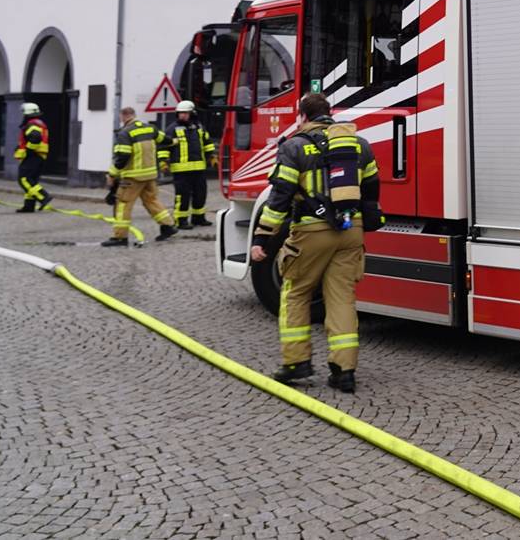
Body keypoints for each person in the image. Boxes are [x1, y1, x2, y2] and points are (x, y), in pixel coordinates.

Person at [249, 92, 380, 393]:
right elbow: (372, 188)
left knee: (295, 292)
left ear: (303, 116)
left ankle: (296, 362)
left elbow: (279, 197)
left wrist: (262, 238)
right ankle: (344, 371)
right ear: (328, 113)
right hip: (351, 230)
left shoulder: (294, 147)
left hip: (311, 231)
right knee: (342, 298)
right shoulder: (358, 145)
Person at [104, 107, 176, 247]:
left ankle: (119, 237)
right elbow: (165, 140)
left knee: (123, 205)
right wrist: (177, 141)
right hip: (150, 175)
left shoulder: (125, 133)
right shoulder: (150, 128)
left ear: (123, 116)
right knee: (152, 201)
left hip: (133, 177)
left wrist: (112, 174)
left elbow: (122, 157)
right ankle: (168, 226)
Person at [163, 99, 217, 229]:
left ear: (192, 113)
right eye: (180, 113)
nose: (182, 115)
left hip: (199, 168)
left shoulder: (199, 127)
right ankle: (181, 221)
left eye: (185, 113)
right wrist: (163, 162)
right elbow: (163, 147)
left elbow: (207, 143)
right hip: (181, 171)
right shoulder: (172, 129)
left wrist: (212, 157)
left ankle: (198, 218)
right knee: (183, 197)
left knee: (200, 194)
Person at [14, 101, 52, 213]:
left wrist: (29, 151)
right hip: (38, 156)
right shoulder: (38, 123)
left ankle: (43, 197)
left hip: (33, 156)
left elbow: (35, 137)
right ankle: (29, 206)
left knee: (24, 179)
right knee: (31, 180)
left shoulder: (32, 124)